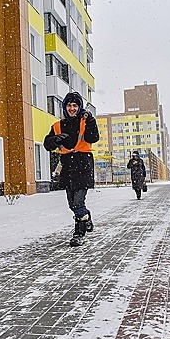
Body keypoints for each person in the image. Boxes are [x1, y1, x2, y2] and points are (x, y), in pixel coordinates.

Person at [44, 92, 99, 246]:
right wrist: (54, 139)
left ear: (79, 107)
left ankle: (79, 233)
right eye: (69, 105)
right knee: (71, 203)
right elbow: (47, 144)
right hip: (68, 167)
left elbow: (93, 137)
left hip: (83, 165)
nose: (72, 108)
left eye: (75, 105)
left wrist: (91, 120)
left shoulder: (85, 121)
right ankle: (85, 217)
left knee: (78, 202)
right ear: (64, 107)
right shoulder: (57, 125)